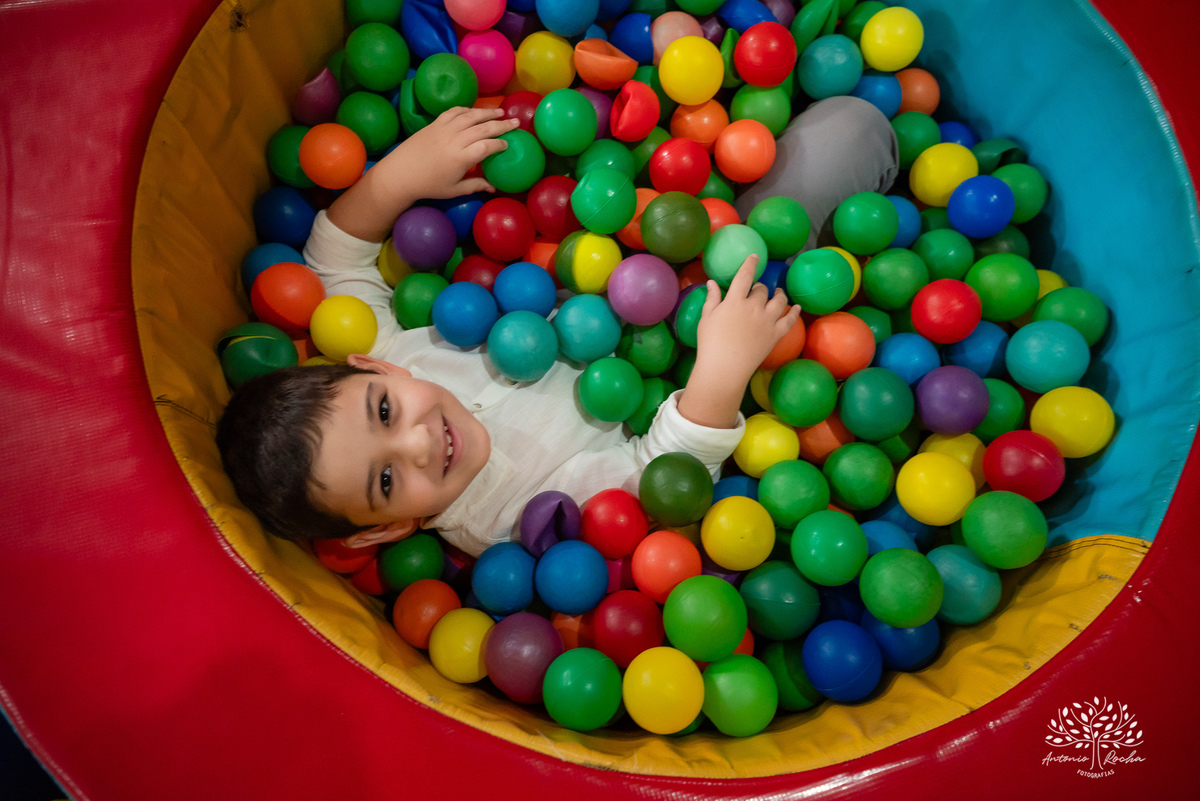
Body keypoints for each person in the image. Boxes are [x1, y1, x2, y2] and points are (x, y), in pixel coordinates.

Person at [218, 96, 899, 558]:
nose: (419, 441)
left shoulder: (389, 343)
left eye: (387, 410)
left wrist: (403, 173)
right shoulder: (512, 521)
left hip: (617, 214)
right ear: (386, 530)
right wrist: (722, 369)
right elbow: (655, 482)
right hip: (725, 329)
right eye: (388, 481)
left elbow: (333, 256)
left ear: (376, 369)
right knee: (852, 130)